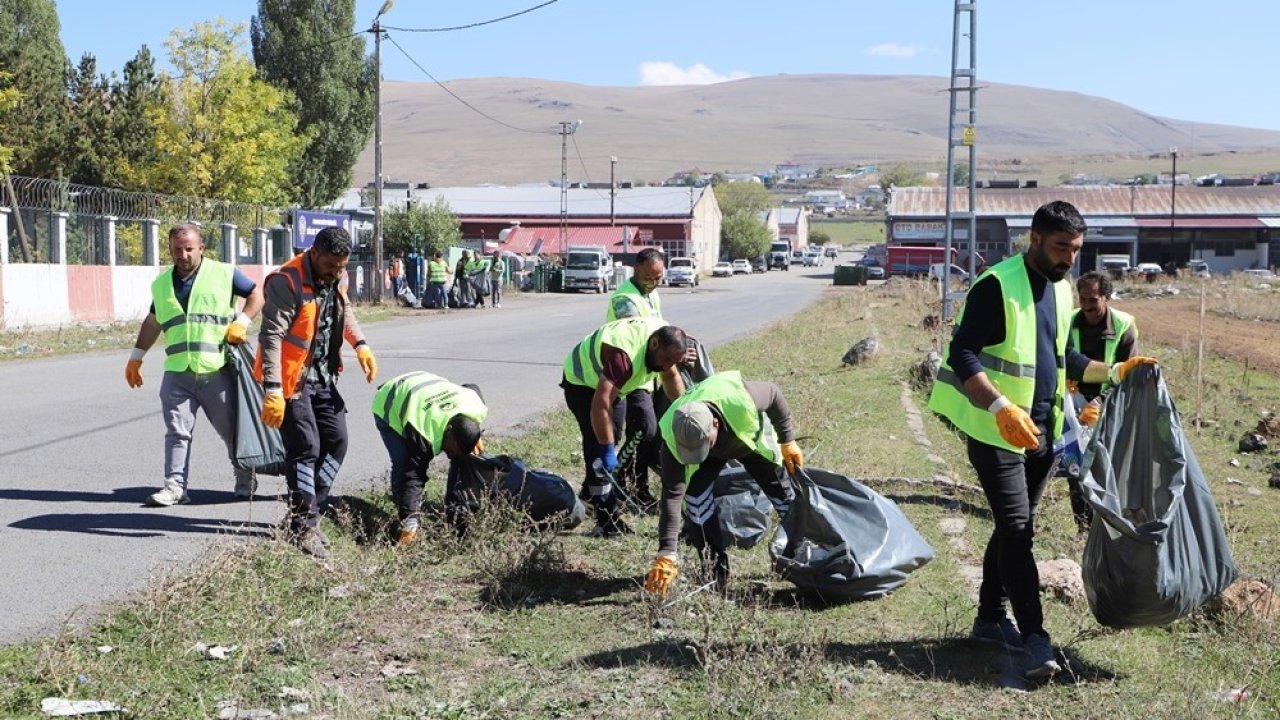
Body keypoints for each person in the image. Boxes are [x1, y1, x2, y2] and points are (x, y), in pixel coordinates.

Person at [928, 200, 1157, 680]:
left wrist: (1112, 371)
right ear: (1033, 239)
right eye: (1060, 248)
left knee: (1015, 525)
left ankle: (990, 618)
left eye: (1076, 250)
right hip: (995, 430)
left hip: (1041, 432)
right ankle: (1035, 637)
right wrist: (999, 407)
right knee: (1017, 529)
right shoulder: (997, 286)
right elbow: (962, 352)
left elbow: (1064, 356)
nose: (1069, 259)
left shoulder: (1061, 290)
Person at [256, 226, 379, 559]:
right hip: (289, 383)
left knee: (337, 442)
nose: (337, 272)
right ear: (314, 253)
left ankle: (307, 508)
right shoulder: (287, 282)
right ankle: (305, 526)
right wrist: (272, 390)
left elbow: (345, 310)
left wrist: (361, 345)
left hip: (323, 377)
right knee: (306, 448)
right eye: (331, 266)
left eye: (342, 267)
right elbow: (270, 338)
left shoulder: (337, 277)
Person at [125, 224, 263, 506]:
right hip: (178, 372)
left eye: (189, 248)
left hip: (217, 368)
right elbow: (153, 322)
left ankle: (244, 477)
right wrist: (136, 357)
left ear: (201, 248)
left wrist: (243, 321)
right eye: (177, 249)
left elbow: (256, 295)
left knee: (231, 430)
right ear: (171, 250)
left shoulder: (224, 273)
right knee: (177, 432)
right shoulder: (161, 284)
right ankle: (175, 488)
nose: (183, 254)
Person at [644, 370, 801, 595]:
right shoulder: (672, 435)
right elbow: (671, 495)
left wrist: (787, 440)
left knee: (785, 499)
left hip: (748, 439)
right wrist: (666, 552)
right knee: (695, 500)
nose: (695, 453)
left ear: (715, 424)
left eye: (701, 445)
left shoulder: (738, 399)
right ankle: (715, 573)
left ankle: (803, 555)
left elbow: (774, 394)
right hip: (713, 450)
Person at [561, 316, 688, 537]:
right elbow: (600, 404)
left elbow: (670, 377)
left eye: (672, 361)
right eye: (665, 359)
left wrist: (686, 412)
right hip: (582, 382)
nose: (666, 365)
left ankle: (591, 495)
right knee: (598, 447)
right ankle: (606, 520)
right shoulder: (623, 358)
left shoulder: (664, 341)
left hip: (612, 385)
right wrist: (607, 449)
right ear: (654, 343)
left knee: (613, 433)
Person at [372, 372, 487, 546]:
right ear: (447, 429)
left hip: (424, 385)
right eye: (452, 448)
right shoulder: (423, 434)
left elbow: (471, 387)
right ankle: (403, 512)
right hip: (390, 400)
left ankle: (451, 506)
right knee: (403, 463)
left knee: (462, 456)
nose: (451, 454)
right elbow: (413, 477)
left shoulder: (475, 406)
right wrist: (410, 519)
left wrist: (473, 435)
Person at [1064, 270, 1139, 529]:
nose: (1086, 306)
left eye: (1092, 300)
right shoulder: (1069, 322)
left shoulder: (1123, 326)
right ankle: (1083, 526)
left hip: (1109, 404)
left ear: (1107, 297)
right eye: (1082, 299)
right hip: (1073, 402)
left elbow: (1128, 374)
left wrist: (1100, 402)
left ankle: (1107, 526)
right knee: (1074, 465)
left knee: (1106, 466)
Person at [605, 248, 668, 509]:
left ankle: (630, 483)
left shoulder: (651, 295)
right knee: (645, 429)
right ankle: (625, 479)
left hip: (648, 375)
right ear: (636, 270)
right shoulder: (624, 299)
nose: (654, 283)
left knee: (650, 433)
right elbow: (637, 336)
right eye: (648, 277)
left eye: (658, 277)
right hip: (629, 374)